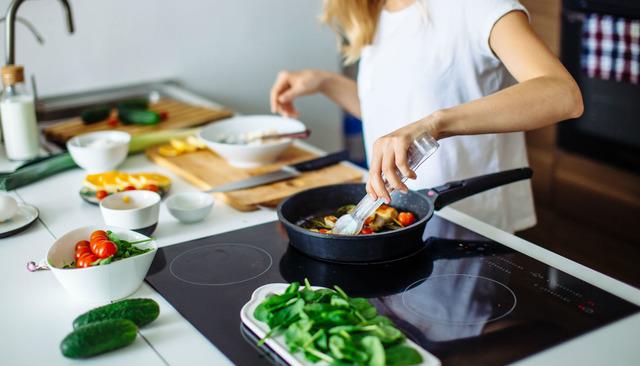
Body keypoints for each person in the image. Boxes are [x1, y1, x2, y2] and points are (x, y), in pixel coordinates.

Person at [269, 0, 583, 233]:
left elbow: (563, 95)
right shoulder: (377, 11)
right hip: (397, 222)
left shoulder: (475, 6)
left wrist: (434, 125)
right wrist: (325, 82)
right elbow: (394, 115)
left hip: (468, 225)